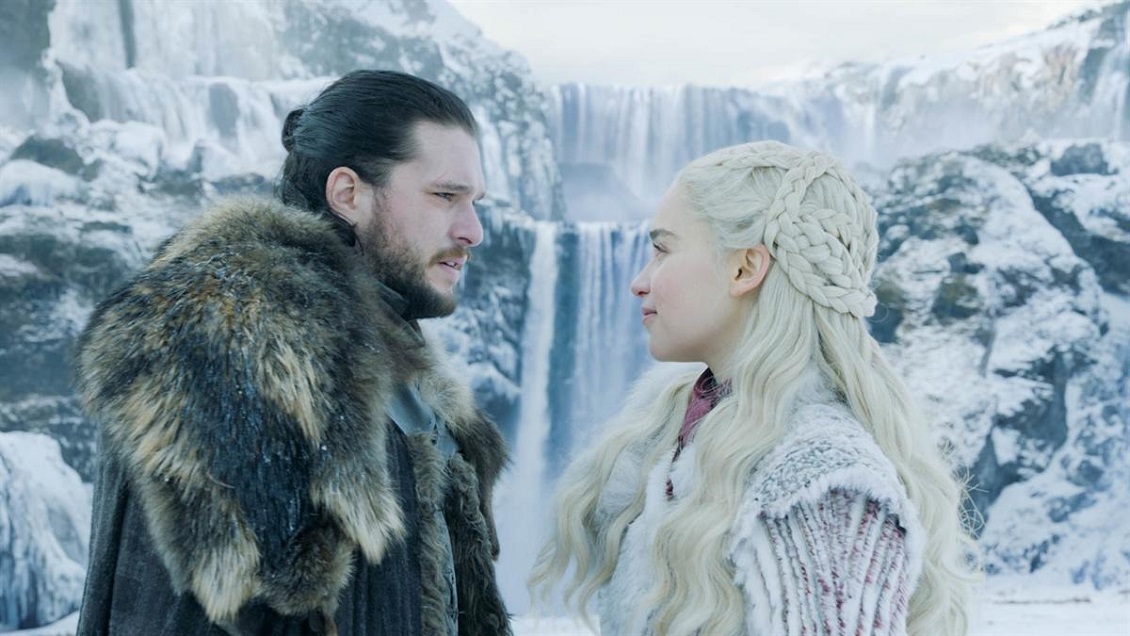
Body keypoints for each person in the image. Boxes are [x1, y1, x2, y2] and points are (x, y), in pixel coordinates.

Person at [73, 70, 511, 636]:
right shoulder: (223, 347)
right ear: (348, 194)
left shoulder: (393, 360)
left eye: (474, 201)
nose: (474, 230)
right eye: (446, 196)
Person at [530, 141, 977, 635]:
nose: (639, 281)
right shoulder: (684, 439)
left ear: (745, 268)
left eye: (662, 250)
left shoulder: (824, 486)